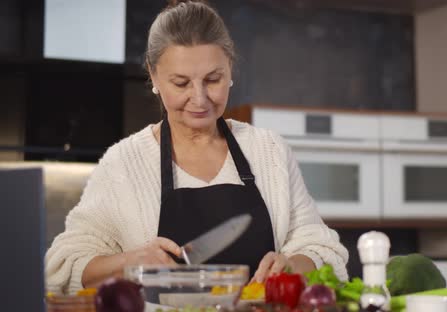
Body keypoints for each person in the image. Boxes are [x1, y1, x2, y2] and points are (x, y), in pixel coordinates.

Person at [45, 0, 349, 295]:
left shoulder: (269, 151)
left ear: (229, 68)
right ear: (153, 75)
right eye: (180, 83)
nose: (200, 98)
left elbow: (322, 249)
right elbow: (64, 264)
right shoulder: (124, 163)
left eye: (213, 79)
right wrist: (128, 263)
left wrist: (293, 265)